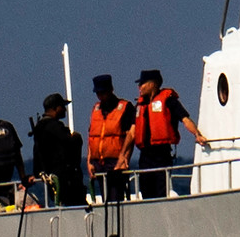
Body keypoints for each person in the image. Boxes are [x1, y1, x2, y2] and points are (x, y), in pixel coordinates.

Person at [130, 69, 210, 199]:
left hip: (161, 153)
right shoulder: (140, 105)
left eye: (142, 83)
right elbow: (132, 132)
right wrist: (123, 156)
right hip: (145, 156)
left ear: (153, 83)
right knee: (145, 189)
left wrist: (197, 135)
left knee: (161, 189)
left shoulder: (169, 100)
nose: (139, 87)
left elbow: (185, 119)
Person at [29, 94, 87, 207]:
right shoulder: (55, 127)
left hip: (51, 178)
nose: (65, 109)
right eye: (62, 106)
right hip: (65, 180)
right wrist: (76, 137)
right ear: (55, 108)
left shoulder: (39, 128)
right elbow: (70, 144)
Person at [86, 74, 135, 202]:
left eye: (103, 92)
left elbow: (131, 136)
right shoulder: (95, 109)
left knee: (115, 198)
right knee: (105, 199)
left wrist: (124, 159)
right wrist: (89, 161)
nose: (100, 96)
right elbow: (92, 137)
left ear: (111, 90)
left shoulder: (125, 107)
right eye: (98, 93)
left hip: (115, 161)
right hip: (98, 163)